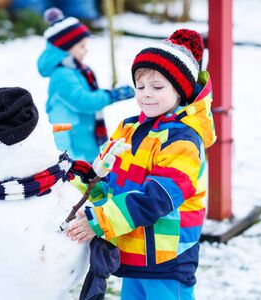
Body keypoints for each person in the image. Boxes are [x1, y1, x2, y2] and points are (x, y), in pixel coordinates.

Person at [68, 28, 217, 299]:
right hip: (134, 255)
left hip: (169, 261)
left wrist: (99, 222)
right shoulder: (128, 128)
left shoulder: (183, 140)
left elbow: (156, 198)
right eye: (141, 86)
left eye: (158, 87)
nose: (146, 94)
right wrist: (74, 178)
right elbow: (103, 178)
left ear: (180, 91)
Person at [37, 7, 135, 163]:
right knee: (81, 180)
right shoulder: (62, 75)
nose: (86, 50)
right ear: (66, 48)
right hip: (72, 143)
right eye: (81, 46)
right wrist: (111, 95)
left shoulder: (75, 70)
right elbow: (83, 101)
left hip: (84, 137)